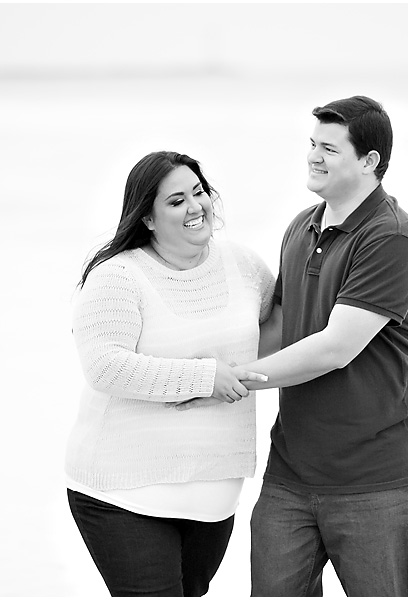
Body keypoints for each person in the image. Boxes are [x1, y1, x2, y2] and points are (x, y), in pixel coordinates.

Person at [176, 96, 408, 596]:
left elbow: (335, 348)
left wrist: (232, 382)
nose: (313, 156)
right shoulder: (301, 227)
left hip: (372, 479)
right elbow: (278, 327)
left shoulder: (392, 238)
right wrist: (194, 370)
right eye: (312, 144)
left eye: (329, 148)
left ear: (369, 161)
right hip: (289, 475)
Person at [64, 151, 275, 597]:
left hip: (214, 501)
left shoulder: (245, 266)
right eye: (176, 200)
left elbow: (279, 334)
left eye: (199, 192)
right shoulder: (118, 277)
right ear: (148, 218)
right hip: (122, 496)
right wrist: (204, 378)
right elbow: (104, 366)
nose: (195, 207)